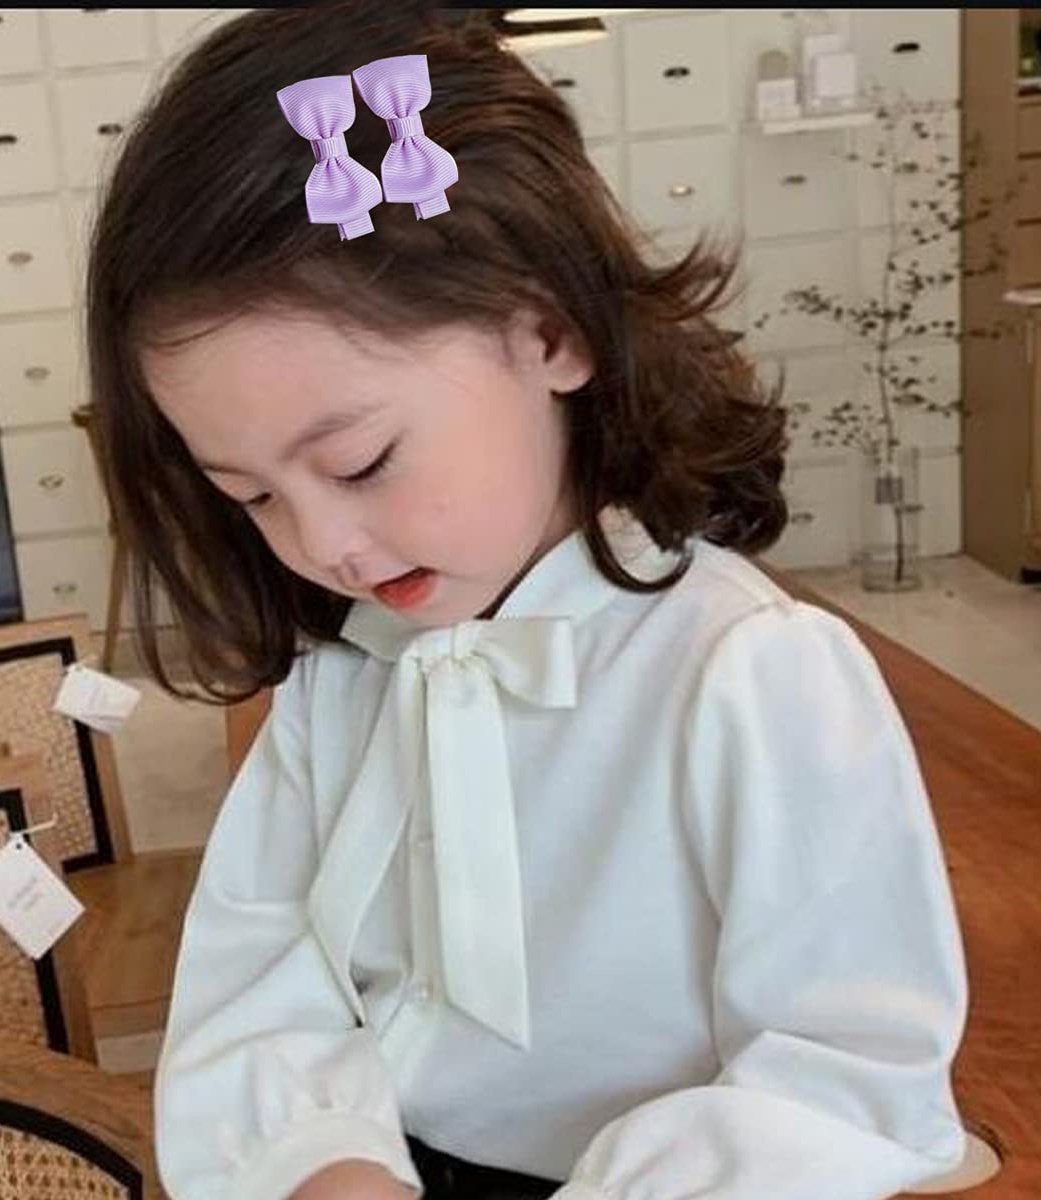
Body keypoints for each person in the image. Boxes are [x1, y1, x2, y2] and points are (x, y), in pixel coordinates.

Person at [84, 4, 970, 1198]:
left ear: (550, 331)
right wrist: (322, 1161)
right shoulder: (342, 685)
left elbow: (847, 1071)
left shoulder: (746, 671)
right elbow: (261, 980)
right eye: (251, 496)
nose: (322, 546)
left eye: (359, 463)